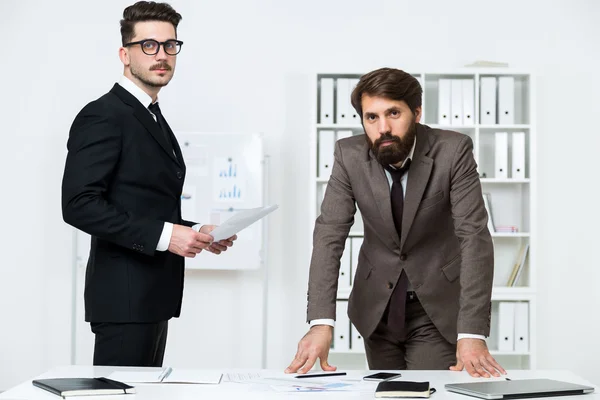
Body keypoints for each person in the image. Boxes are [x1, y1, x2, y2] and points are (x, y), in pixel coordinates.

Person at [286, 67, 506, 378]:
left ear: (416, 112)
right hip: (377, 307)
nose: (383, 128)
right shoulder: (348, 155)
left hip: (436, 308)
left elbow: (474, 238)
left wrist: (471, 332)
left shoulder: (453, 151)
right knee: (388, 393)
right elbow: (329, 235)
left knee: (423, 393)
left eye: (393, 113)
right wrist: (321, 323)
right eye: (371, 117)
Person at [61, 1, 236, 367]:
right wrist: (165, 237)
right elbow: (79, 203)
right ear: (125, 54)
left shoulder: (151, 115)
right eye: (149, 45)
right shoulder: (103, 115)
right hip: (124, 299)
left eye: (171, 45)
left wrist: (196, 230)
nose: (162, 55)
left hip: (152, 297)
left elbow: (143, 203)